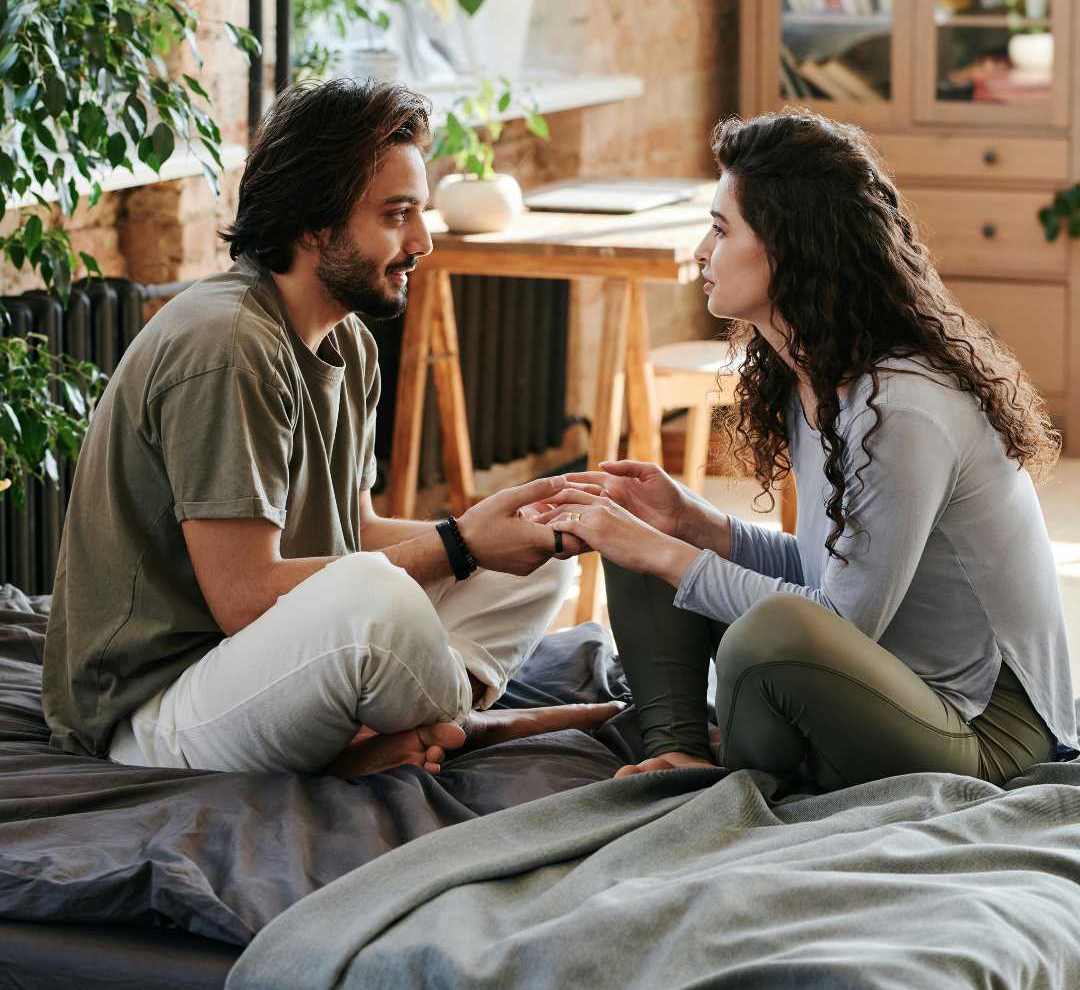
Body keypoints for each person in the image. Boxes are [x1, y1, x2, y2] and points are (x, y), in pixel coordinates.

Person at [43, 78, 615, 778]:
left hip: (261, 664)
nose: (423, 242)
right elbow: (245, 596)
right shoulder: (227, 344)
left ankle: (421, 725)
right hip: (152, 708)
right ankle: (468, 723)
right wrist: (459, 543)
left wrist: (495, 529)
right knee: (377, 596)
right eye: (397, 214)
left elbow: (354, 530)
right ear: (314, 224)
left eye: (421, 213)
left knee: (528, 561)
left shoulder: (350, 343)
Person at [543, 109, 1077, 790]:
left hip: (982, 727)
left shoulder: (901, 405)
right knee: (641, 525)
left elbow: (839, 621)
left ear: (789, 246)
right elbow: (831, 574)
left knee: (764, 634)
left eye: (721, 228)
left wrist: (671, 553)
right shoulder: (813, 375)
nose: (703, 252)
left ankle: (744, 759)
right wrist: (689, 525)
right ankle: (679, 748)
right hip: (885, 683)